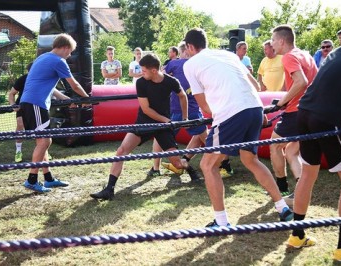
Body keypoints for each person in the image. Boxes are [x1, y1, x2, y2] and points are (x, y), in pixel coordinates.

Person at [183, 28, 293, 228]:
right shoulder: (228, 55)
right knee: (250, 159)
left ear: (190, 46)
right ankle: (282, 207)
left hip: (231, 112)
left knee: (208, 165)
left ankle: (221, 221)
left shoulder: (190, 64)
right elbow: (256, 85)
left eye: (187, 49)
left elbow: (203, 105)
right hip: (255, 108)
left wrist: (217, 113)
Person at [90, 53, 201, 201]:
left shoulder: (171, 81)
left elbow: (183, 96)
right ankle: (109, 189)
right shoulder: (141, 82)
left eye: (144, 70)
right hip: (144, 123)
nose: (141, 73)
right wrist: (167, 120)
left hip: (163, 128)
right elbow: (147, 109)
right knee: (121, 151)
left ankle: (190, 169)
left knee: (177, 164)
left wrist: (185, 118)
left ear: (154, 70)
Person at [286, 20, 341, 263]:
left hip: (305, 113)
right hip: (328, 119)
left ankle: (297, 235)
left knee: (308, 173)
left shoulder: (336, 52)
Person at [20, 33, 89, 193]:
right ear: (64, 47)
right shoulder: (59, 61)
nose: (69, 55)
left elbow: (51, 87)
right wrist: (87, 98)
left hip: (31, 103)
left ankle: (49, 178)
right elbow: (75, 85)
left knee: (44, 142)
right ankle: (31, 180)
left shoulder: (43, 58)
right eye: (70, 51)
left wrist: (67, 100)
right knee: (44, 142)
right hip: (35, 104)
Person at [269, 25, 318, 203]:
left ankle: (281, 187)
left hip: (296, 111)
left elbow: (301, 82)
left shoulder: (289, 57)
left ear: (282, 41)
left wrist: (282, 103)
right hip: (310, 111)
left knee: (274, 146)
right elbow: (314, 82)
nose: (272, 44)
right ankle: (300, 188)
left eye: (273, 40)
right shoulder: (306, 55)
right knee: (291, 150)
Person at [149, 41, 208, 177]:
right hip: (193, 109)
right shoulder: (197, 66)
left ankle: (156, 168)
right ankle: (224, 164)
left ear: (182, 52)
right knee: (205, 137)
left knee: (159, 137)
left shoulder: (174, 64)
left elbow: (159, 77)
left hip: (175, 109)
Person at [8, 62, 33, 163]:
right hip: (21, 106)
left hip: (37, 106)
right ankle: (18, 151)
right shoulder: (23, 79)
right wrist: (13, 105)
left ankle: (44, 151)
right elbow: (11, 93)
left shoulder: (42, 79)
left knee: (40, 129)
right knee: (20, 125)